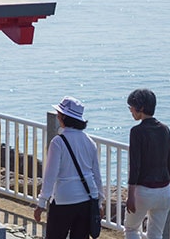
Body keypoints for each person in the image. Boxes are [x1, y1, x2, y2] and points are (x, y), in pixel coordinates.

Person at [33, 96, 103, 239]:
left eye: (59, 114)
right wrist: (100, 202)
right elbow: (97, 175)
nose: (58, 117)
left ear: (64, 117)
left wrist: (41, 203)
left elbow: (50, 175)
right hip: (86, 199)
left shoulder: (58, 142)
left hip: (63, 199)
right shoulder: (90, 142)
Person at [125, 88, 170, 239]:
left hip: (144, 191)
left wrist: (131, 195)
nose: (130, 111)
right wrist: (169, 189)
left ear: (140, 108)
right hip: (165, 191)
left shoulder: (136, 132)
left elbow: (135, 166)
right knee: (156, 234)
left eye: (131, 108)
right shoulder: (165, 129)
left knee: (131, 229)